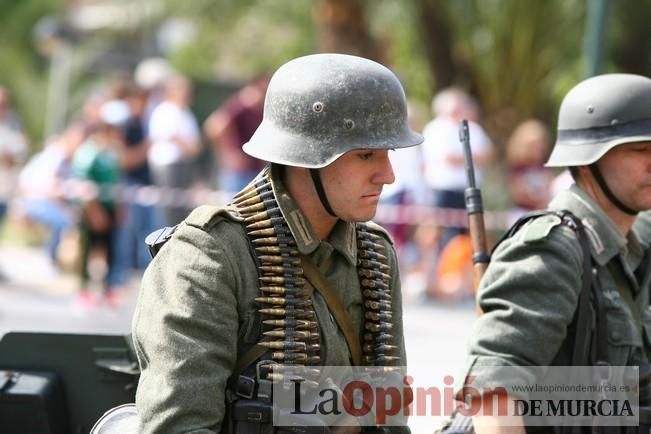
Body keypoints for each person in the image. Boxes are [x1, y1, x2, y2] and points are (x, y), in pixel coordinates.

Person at [132, 53, 423, 433]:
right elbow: (180, 425)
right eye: (366, 154)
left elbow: (389, 412)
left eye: (389, 153)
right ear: (306, 158)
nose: (387, 175)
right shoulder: (209, 255)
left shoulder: (375, 254)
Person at [456, 73, 651, 433]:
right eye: (640, 150)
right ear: (587, 159)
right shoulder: (553, 249)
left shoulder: (629, 247)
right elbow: (493, 395)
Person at [204, 75, 268, 194]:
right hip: (238, 173)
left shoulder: (257, 109)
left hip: (254, 171)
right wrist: (227, 153)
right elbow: (214, 126)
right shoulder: (239, 107)